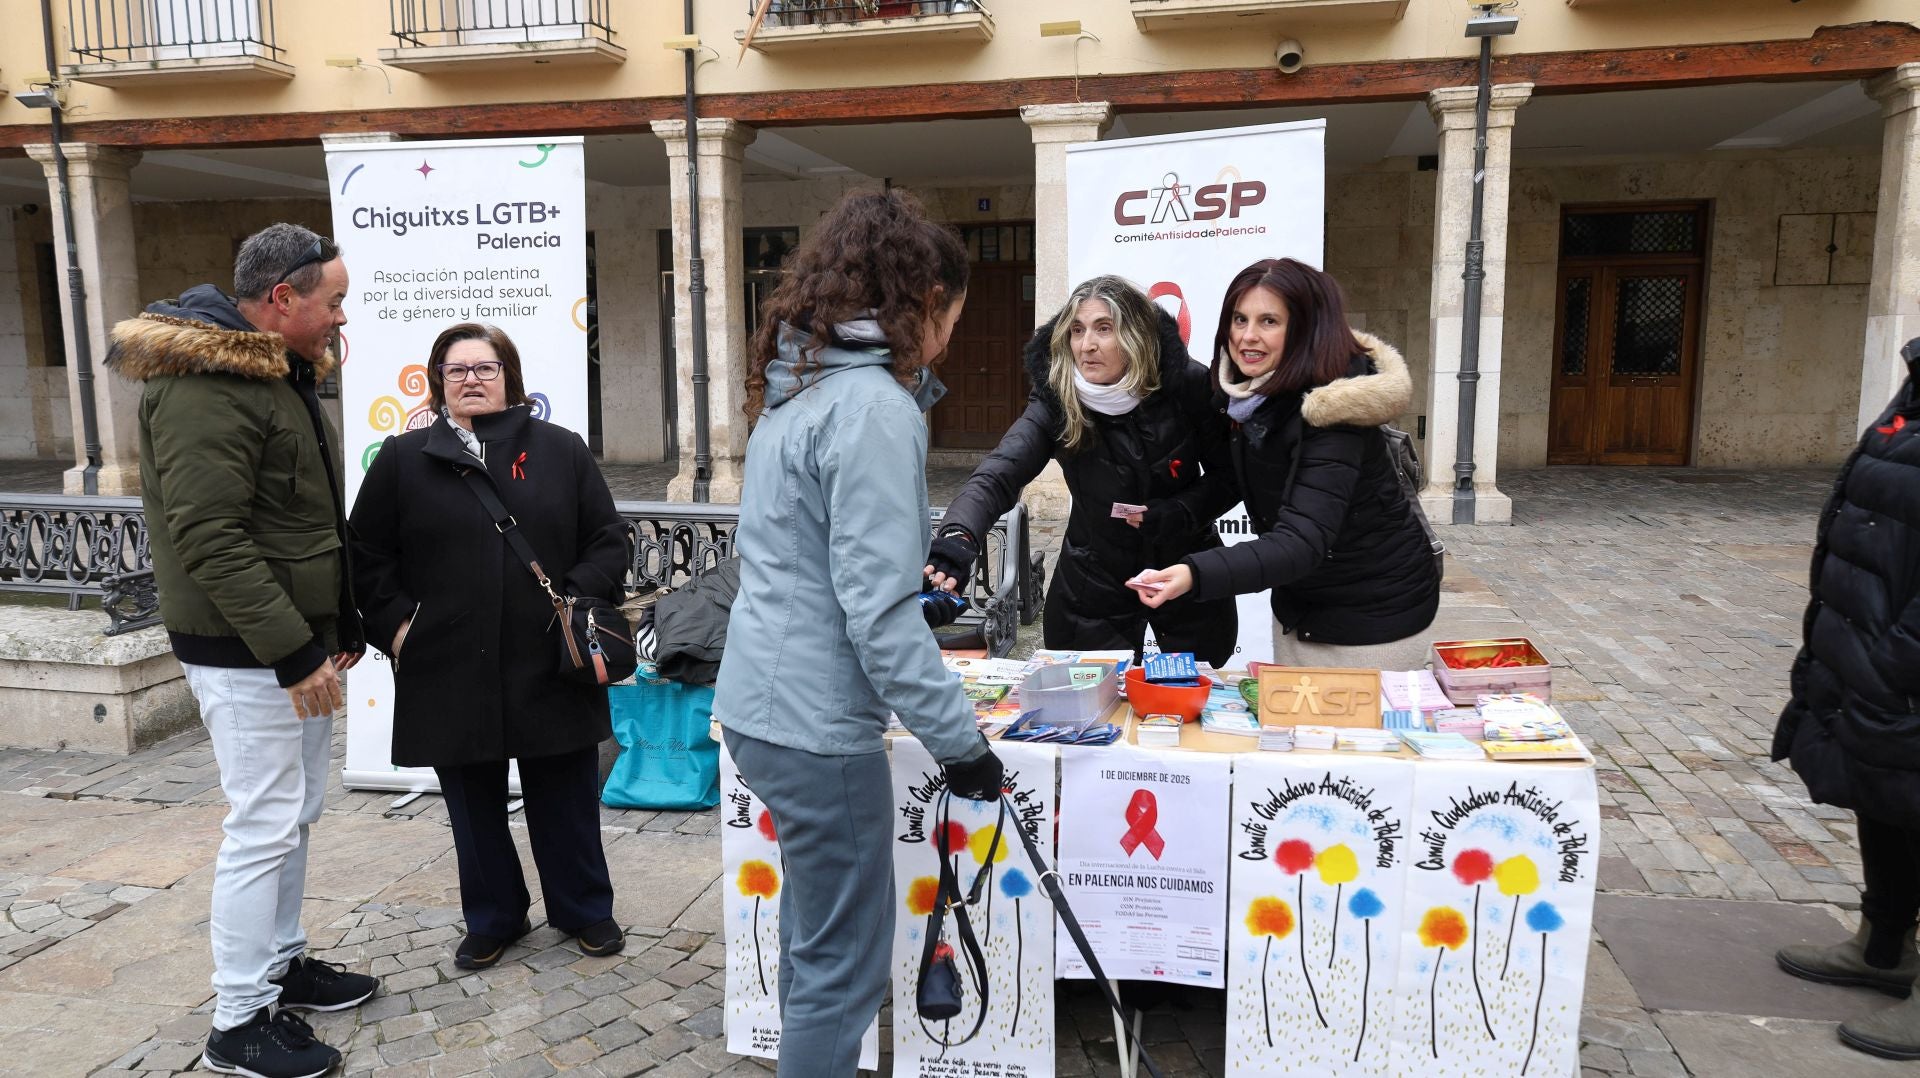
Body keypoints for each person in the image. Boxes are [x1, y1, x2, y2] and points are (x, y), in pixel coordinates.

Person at [713, 189, 1006, 1077]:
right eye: (954, 315)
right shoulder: (873, 407)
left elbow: (817, 566)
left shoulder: (801, 391)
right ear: (924, 306)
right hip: (815, 722)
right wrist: (961, 746)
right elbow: (873, 617)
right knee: (842, 968)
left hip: (766, 702)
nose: (953, 334)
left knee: (817, 942)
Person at [106, 222, 378, 1078]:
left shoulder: (270, 372)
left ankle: (280, 965)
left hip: (290, 640)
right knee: (262, 825)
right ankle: (236, 1019)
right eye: (332, 301)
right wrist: (296, 654)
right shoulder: (206, 385)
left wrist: (336, 631)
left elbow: (298, 519)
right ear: (282, 300)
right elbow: (211, 537)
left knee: (294, 815)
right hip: (247, 649)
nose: (342, 316)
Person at [350, 323, 630, 972]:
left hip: (547, 659)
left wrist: (577, 600)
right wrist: (397, 628)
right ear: (437, 381)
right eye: (457, 370)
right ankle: (494, 917)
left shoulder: (561, 450)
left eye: (485, 367)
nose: (472, 379)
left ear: (510, 376)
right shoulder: (404, 458)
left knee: (564, 791)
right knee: (472, 806)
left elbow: (608, 541)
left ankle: (585, 908)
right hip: (449, 661)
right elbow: (365, 556)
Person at [1133, 258, 1439, 663]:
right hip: (1303, 603)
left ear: (1305, 328)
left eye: (1269, 321)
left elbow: (1301, 541)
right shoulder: (1247, 396)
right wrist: (1169, 514)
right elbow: (1232, 480)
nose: (1247, 337)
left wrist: (1193, 573)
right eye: (1239, 320)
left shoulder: (1332, 410)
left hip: (1372, 618)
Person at [930, 275, 1238, 664]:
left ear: (1136, 334)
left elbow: (1230, 475)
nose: (1086, 345)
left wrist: (1175, 514)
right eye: (1077, 330)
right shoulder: (1057, 396)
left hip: (1184, 568)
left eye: (1103, 329)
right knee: (1091, 701)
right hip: (1094, 576)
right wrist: (960, 532)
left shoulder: (1185, 382)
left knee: (1196, 697)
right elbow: (1001, 470)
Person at [1771, 336, 1920, 1061]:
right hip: (1868, 647)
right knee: (1885, 795)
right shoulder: (1913, 390)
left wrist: (1896, 657)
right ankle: (1884, 944)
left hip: (1898, 655)